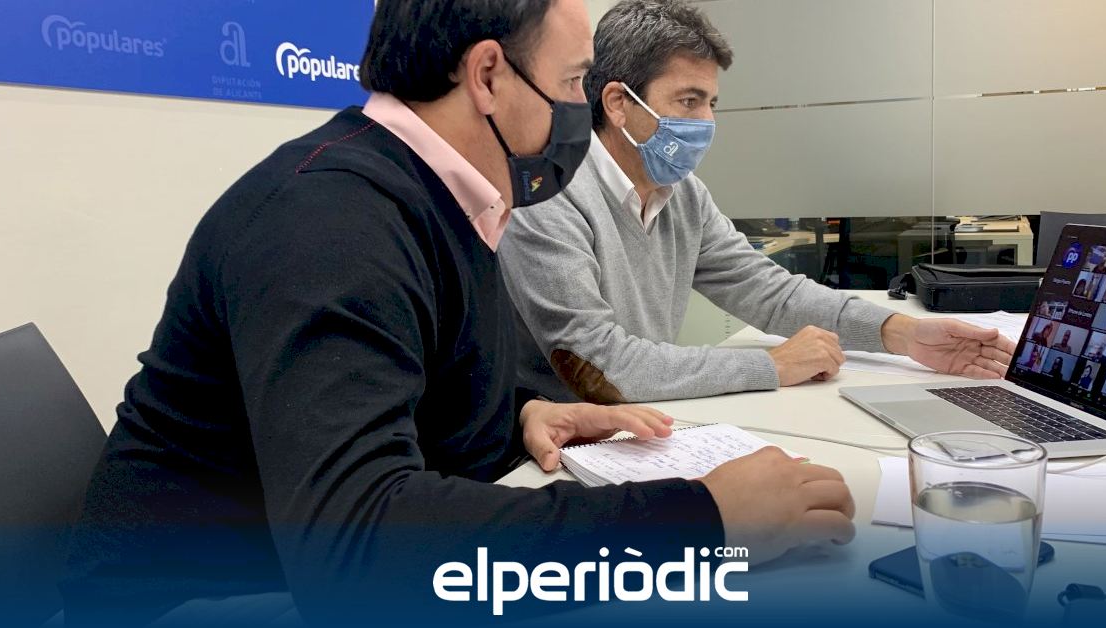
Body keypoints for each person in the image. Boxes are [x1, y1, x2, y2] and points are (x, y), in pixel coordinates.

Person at [62, 2, 857, 625]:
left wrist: (521, 414)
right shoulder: (329, 223)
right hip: (189, 603)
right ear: (487, 76)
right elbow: (356, 553)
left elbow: (404, 392)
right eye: (573, 83)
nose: (581, 113)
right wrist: (700, 520)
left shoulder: (442, 199)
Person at [497, 0, 1016, 404]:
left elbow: (771, 293)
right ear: (617, 104)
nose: (706, 122)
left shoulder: (683, 196)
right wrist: (773, 365)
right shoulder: (550, 197)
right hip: (549, 455)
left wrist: (903, 334)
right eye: (688, 101)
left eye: (711, 103)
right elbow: (598, 363)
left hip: (642, 425)